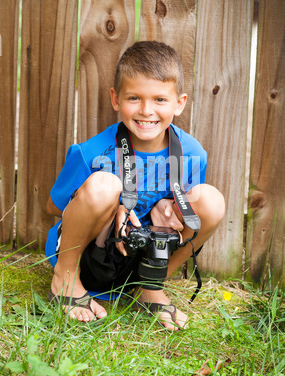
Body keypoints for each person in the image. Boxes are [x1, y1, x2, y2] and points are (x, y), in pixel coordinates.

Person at [45, 41, 225, 331]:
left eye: (159, 100)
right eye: (134, 98)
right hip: (92, 255)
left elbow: (186, 218)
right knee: (105, 184)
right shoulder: (92, 152)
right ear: (116, 99)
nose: (146, 110)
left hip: (142, 259)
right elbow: (54, 207)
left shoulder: (192, 155)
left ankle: (150, 286)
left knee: (211, 201)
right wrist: (112, 203)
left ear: (179, 103)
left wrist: (165, 205)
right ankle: (64, 279)